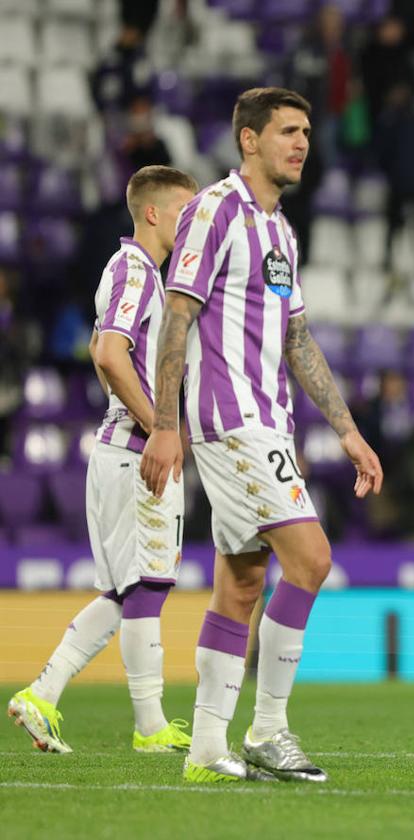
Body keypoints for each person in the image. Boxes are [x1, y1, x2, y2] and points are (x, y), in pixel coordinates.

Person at [139, 88, 383, 784]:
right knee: (310, 559)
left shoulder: (279, 231)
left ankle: (207, 748)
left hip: (267, 419)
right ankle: (269, 729)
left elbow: (297, 338)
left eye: (306, 131)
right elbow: (177, 317)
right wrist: (164, 425)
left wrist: (348, 430)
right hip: (231, 419)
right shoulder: (216, 211)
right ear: (249, 140)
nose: (301, 143)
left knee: (242, 586)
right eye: (286, 131)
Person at [8, 166, 198, 755]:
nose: (191, 226)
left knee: (123, 593)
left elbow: (99, 349)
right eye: (183, 214)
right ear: (152, 214)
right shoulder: (138, 271)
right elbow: (112, 354)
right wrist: (161, 424)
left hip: (118, 448)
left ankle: (42, 693)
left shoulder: (131, 273)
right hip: (136, 453)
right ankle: (149, 727)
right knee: (146, 588)